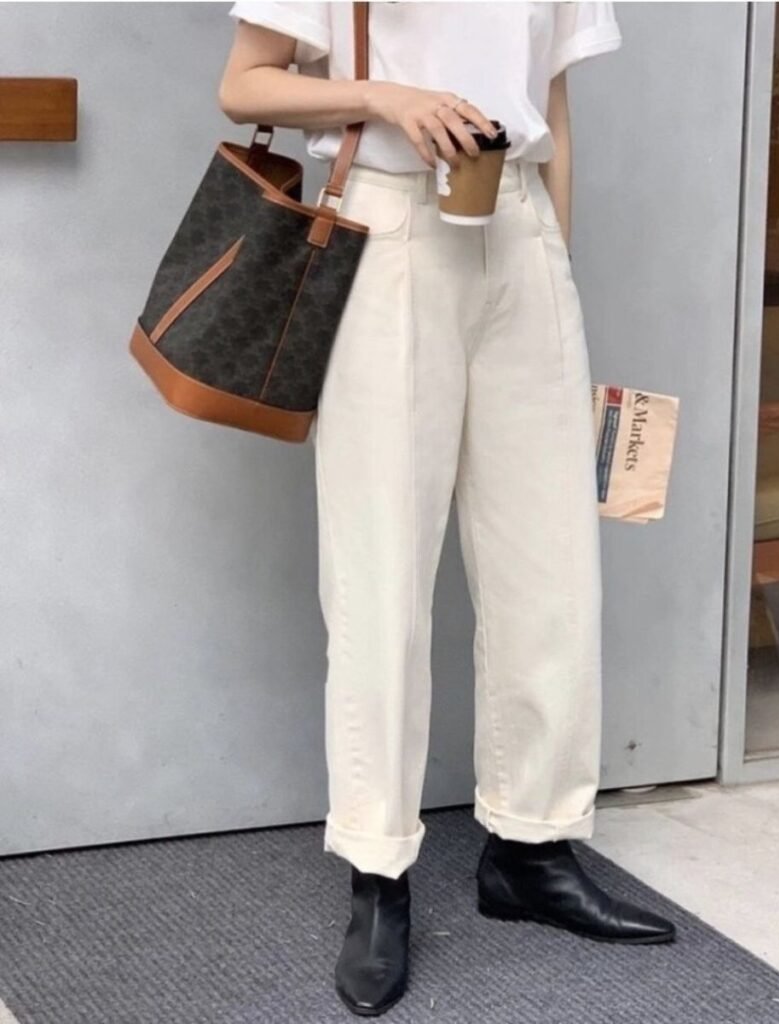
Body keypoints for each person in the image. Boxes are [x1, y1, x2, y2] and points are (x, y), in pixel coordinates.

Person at [219, 1, 676, 1015]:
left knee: (550, 567)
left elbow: (552, 103)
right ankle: (377, 873)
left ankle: (532, 848)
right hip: (386, 224)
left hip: (520, 228)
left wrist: (554, 261)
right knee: (380, 572)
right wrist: (386, 96)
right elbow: (243, 83)